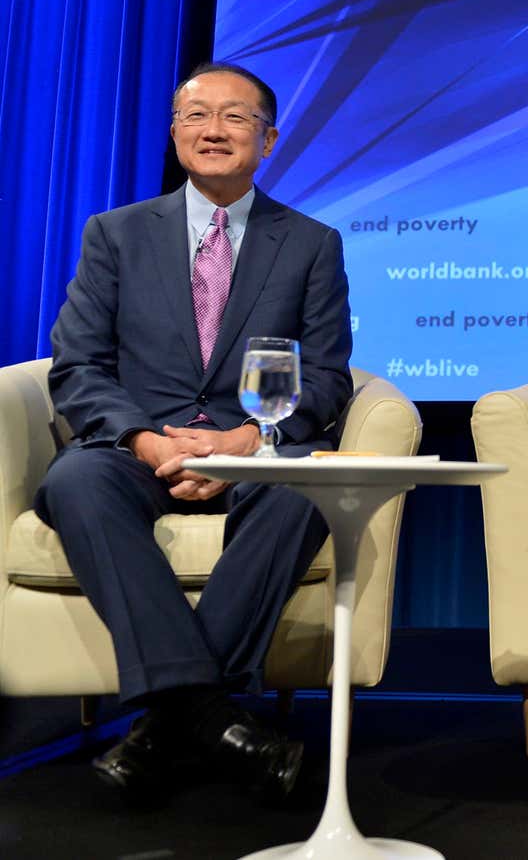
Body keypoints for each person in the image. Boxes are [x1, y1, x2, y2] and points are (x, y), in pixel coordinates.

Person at [34, 62, 353, 805]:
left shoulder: (310, 243)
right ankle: (212, 719)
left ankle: (164, 729)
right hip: (142, 450)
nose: (213, 131)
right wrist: (146, 441)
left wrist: (246, 443)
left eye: (235, 118)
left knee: (305, 491)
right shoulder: (115, 234)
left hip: (251, 448)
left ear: (268, 140)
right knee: (74, 479)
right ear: (176, 133)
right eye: (196, 116)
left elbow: (328, 378)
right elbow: (79, 363)